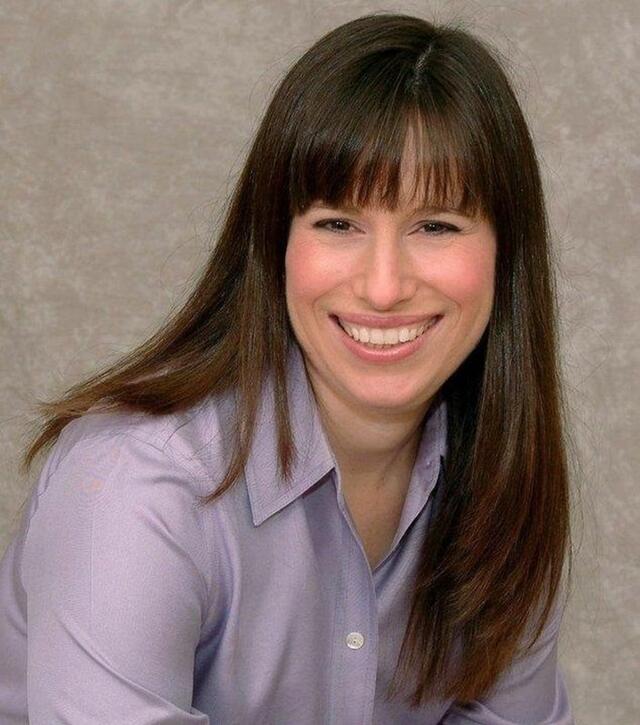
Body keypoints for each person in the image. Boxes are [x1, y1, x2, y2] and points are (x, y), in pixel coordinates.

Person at [0, 12, 575, 724]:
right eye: (338, 223)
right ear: (272, 245)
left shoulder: (503, 482)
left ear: (503, 255)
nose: (384, 285)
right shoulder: (136, 487)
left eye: (436, 225)